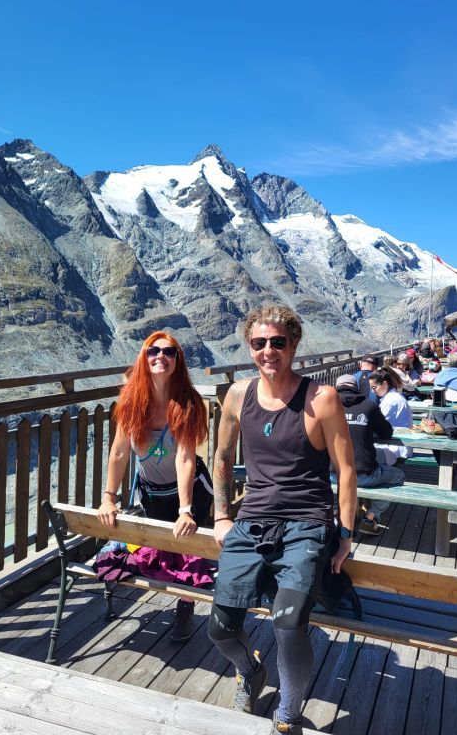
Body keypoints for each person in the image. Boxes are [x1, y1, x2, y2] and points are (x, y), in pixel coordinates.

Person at [208, 305, 356, 735]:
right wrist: (220, 514)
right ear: (249, 347)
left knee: (288, 623)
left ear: (294, 345)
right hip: (252, 519)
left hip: (307, 523)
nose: (268, 351)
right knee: (220, 628)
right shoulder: (237, 395)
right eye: (259, 343)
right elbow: (220, 457)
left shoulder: (320, 398)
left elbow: (345, 470)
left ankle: (288, 712)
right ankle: (250, 672)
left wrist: (344, 534)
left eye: (278, 342)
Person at [97, 331, 213, 642]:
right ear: (144, 358)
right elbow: (120, 451)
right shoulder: (132, 402)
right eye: (153, 350)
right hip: (151, 491)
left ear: (178, 360)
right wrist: (109, 498)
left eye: (169, 351)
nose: (160, 356)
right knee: (161, 550)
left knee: (187, 551)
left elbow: (186, 458)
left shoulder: (188, 404)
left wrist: (185, 510)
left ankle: (185, 607)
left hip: (189, 491)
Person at [334, 374, 403, 536]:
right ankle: (370, 517)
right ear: (356, 387)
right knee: (398, 476)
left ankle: (336, 515)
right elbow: (386, 433)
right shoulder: (369, 405)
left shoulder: (328, 406)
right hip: (364, 475)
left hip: (333, 474)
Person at [368, 367, 413, 467]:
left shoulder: (390, 401)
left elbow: (380, 426)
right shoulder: (394, 396)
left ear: (384, 384)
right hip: (400, 442)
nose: (372, 391)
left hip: (396, 445)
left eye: (374, 387)